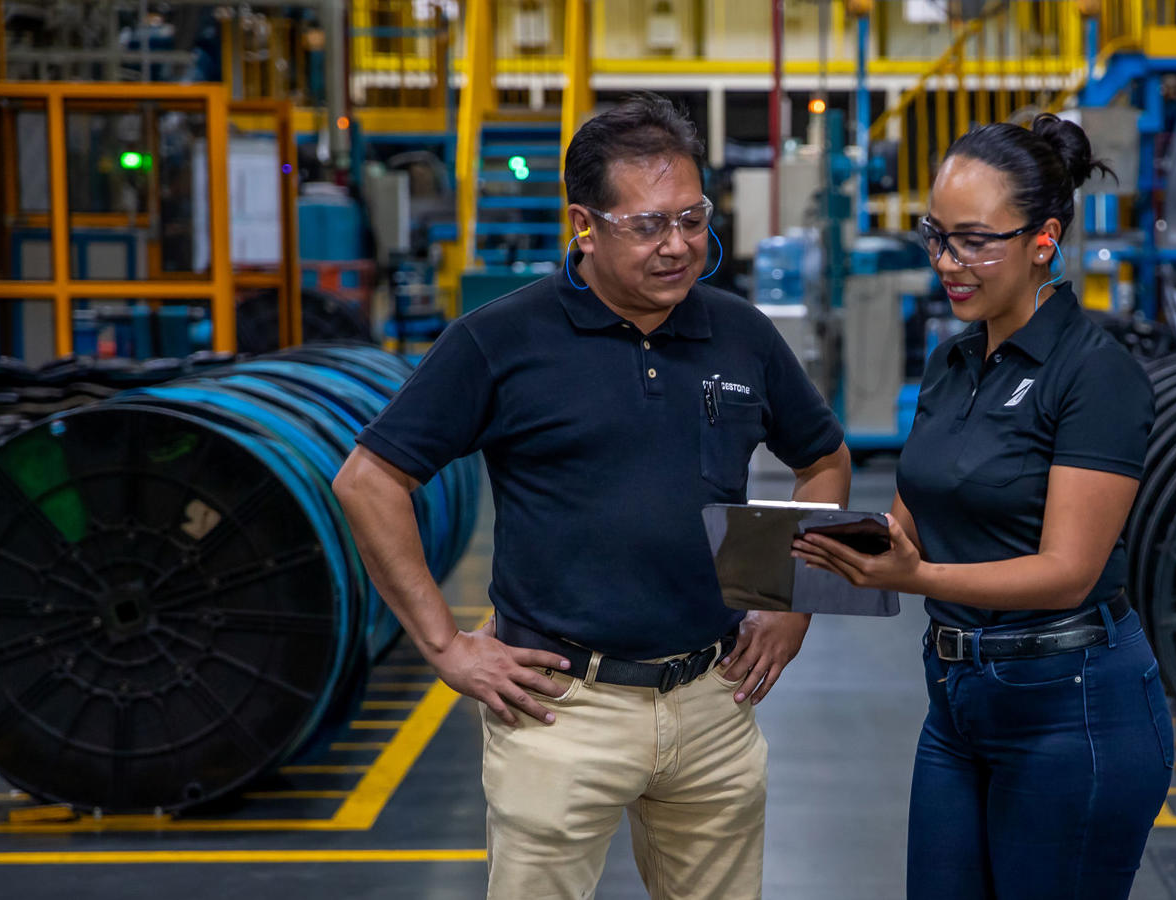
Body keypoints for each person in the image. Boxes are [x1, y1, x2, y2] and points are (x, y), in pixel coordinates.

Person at [333, 93, 851, 900]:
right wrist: (444, 645)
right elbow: (368, 481)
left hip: (713, 699)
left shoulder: (738, 332)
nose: (679, 246)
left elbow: (823, 459)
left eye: (692, 218)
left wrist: (787, 601)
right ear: (584, 223)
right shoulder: (501, 341)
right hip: (559, 708)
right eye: (648, 225)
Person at [793, 115, 1173, 900]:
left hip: (1071, 706)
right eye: (937, 236)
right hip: (958, 704)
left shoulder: (1095, 375)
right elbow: (912, 516)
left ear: (1045, 239)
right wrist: (803, 554)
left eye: (974, 241)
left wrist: (917, 575)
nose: (947, 263)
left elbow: (1067, 573)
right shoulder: (953, 360)